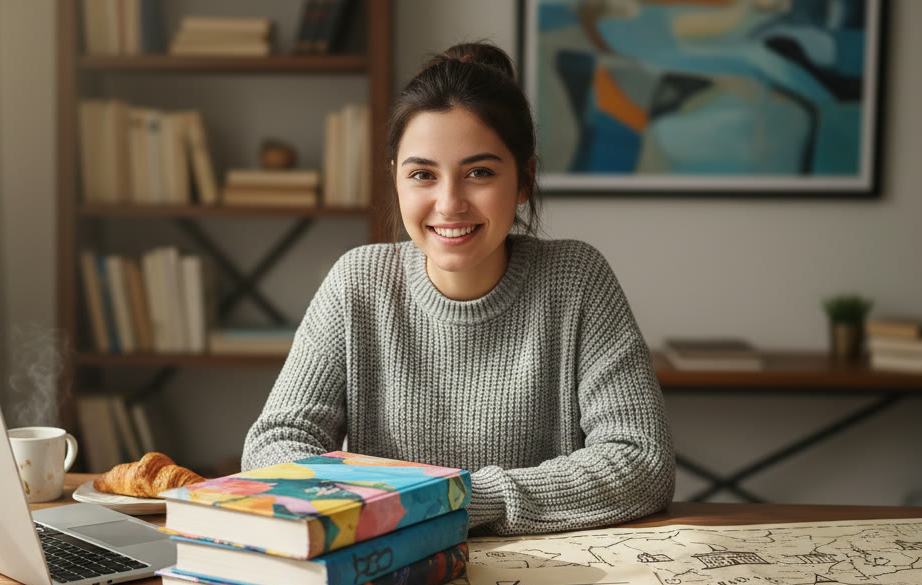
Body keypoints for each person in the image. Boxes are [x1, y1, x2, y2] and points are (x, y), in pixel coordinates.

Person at [241, 42, 674, 536]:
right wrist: (394, 508)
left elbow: (642, 461)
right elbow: (274, 445)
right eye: (422, 175)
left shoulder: (576, 279)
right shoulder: (356, 282)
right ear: (396, 180)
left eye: (479, 173)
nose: (449, 203)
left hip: (546, 572)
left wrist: (455, 500)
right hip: (390, 562)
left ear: (524, 180)